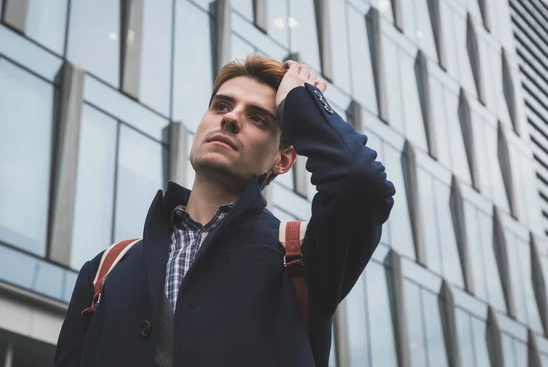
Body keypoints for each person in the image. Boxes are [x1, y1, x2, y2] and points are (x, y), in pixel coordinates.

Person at [55, 56, 395, 367]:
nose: (231, 118)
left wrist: (301, 104)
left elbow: (361, 184)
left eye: (257, 118)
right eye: (221, 106)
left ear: (283, 159)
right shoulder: (106, 268)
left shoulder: (302, 255)